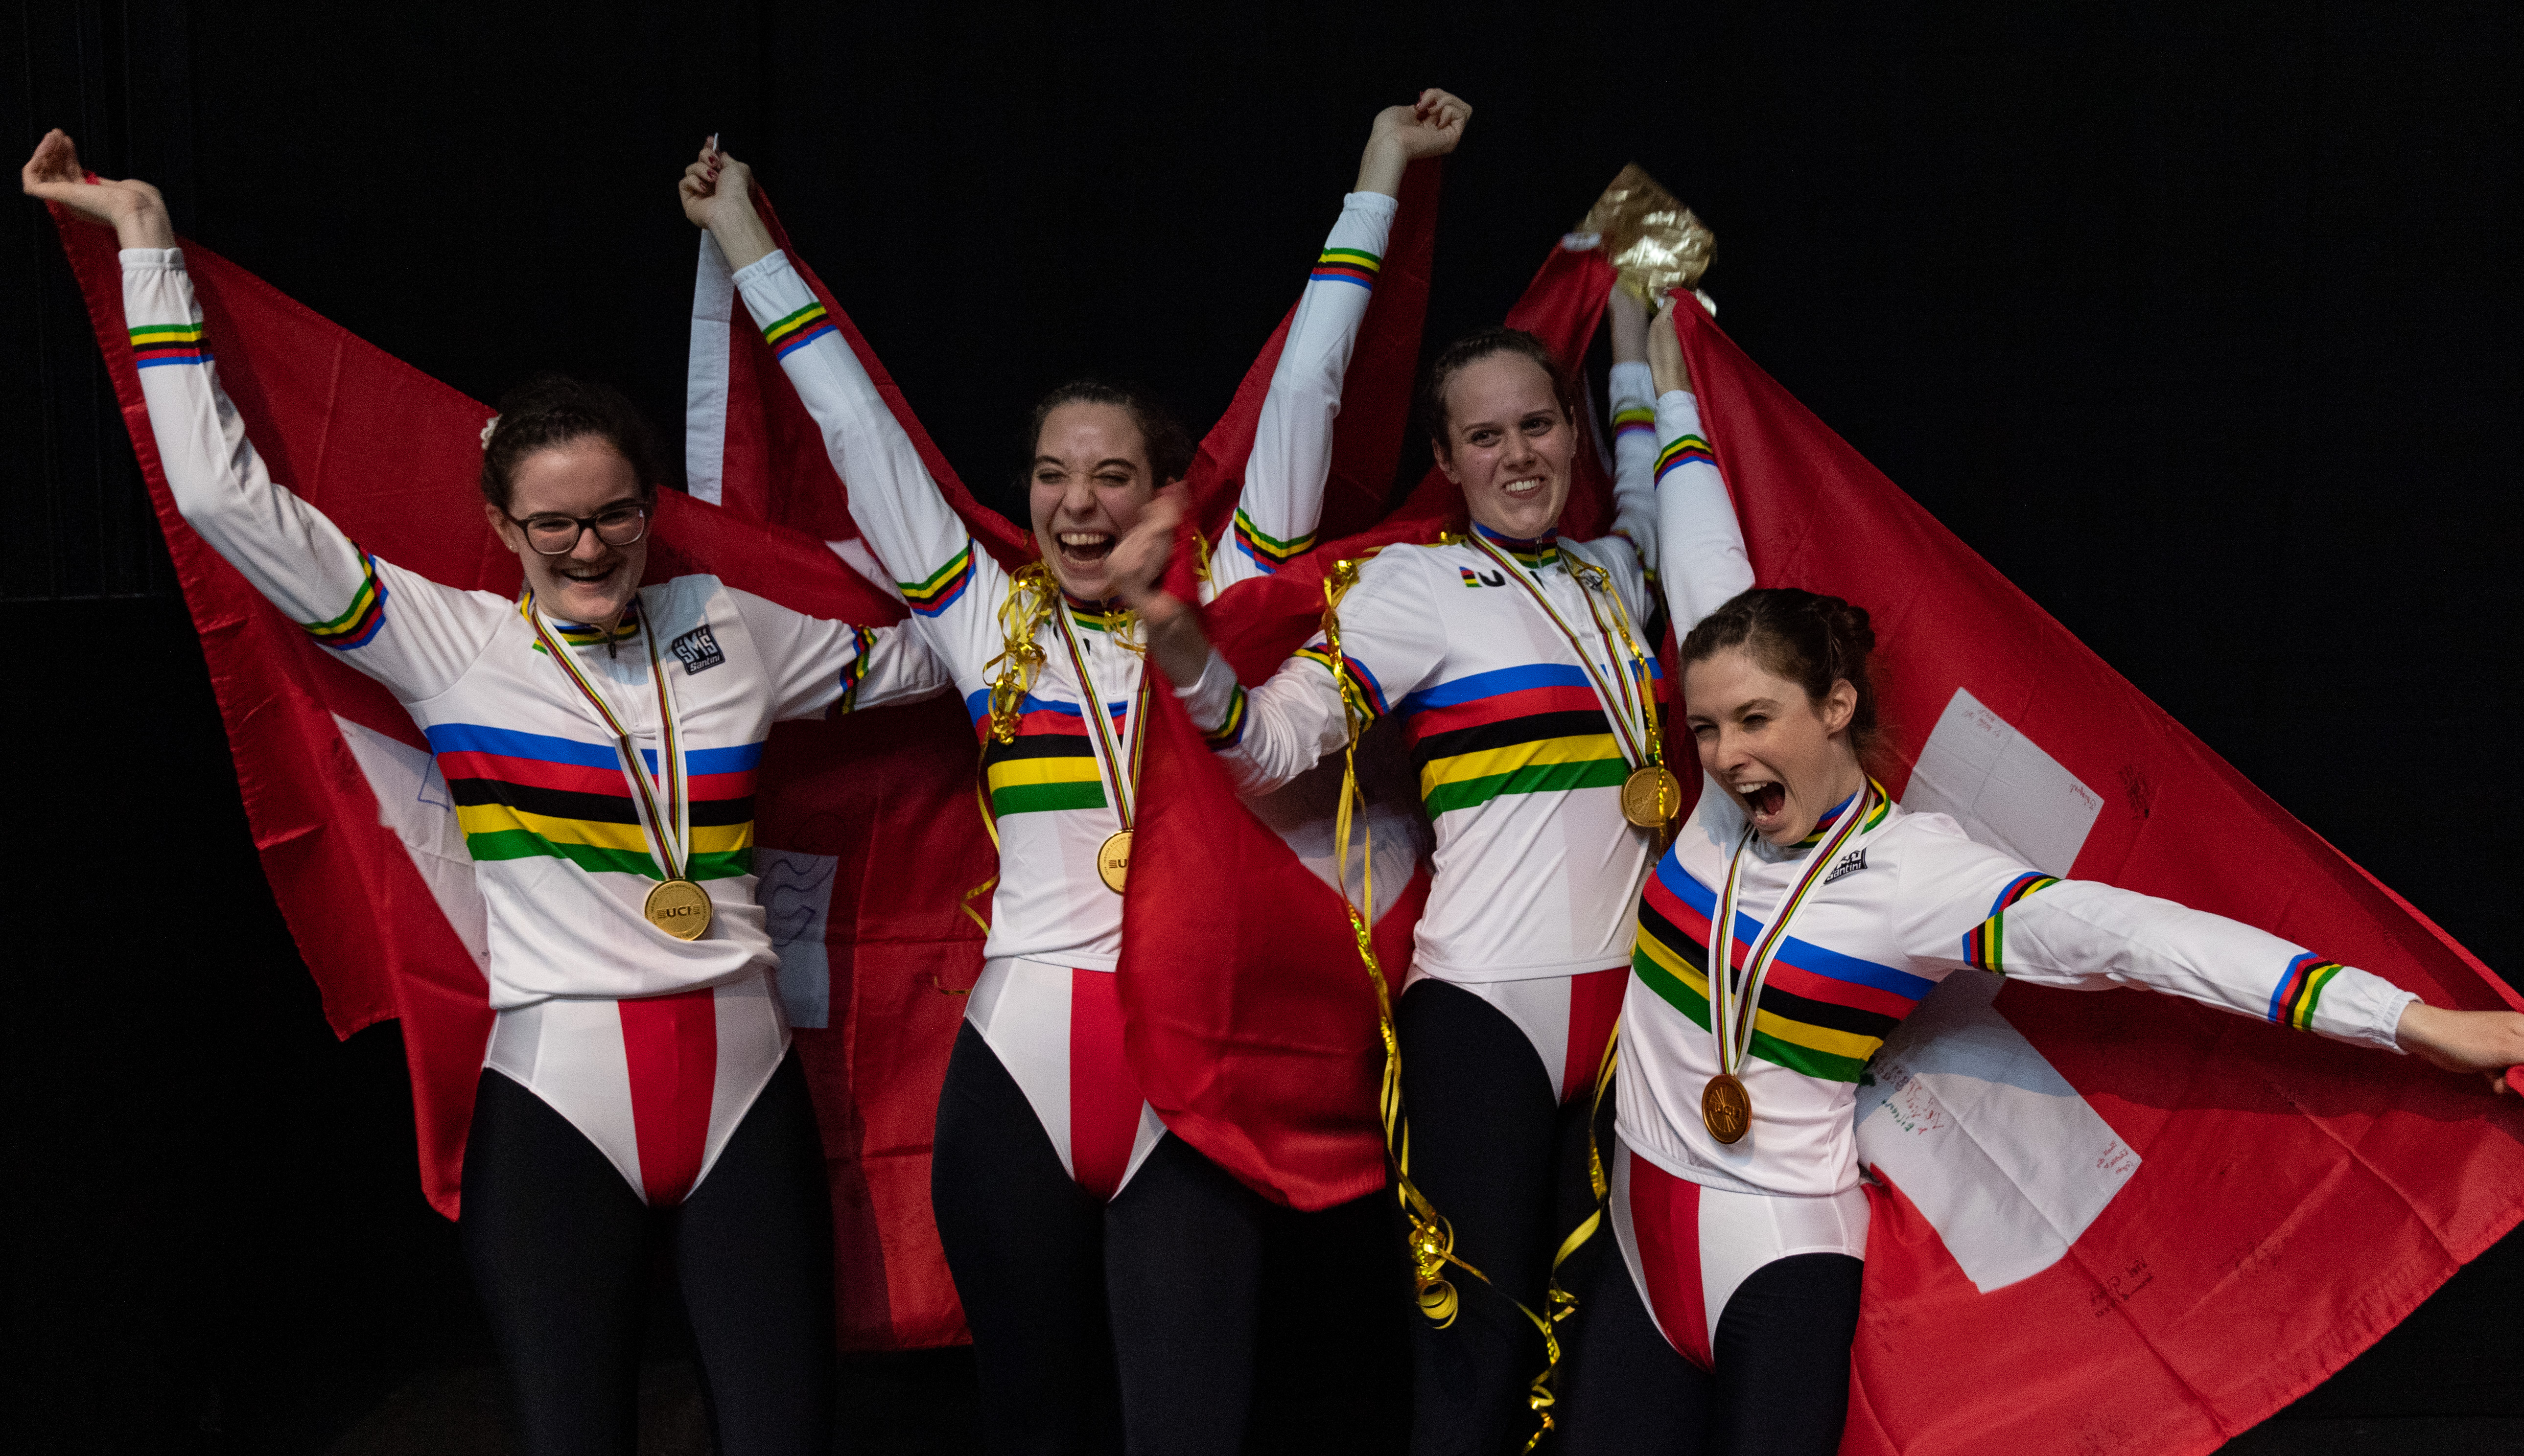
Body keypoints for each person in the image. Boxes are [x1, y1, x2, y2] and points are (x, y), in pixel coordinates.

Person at [24, 129, 963, 1456]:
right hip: (557, 1100)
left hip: (745, 1090)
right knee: (571, 1434)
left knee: (784, 1435)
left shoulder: (730, 623)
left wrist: (1098, 597)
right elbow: (226, 503)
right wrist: (147, 244)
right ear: (501, 522)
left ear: (650, 506)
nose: (591, 549)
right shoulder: (450, 642)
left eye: (617, 516)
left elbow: (949, 644)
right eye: (555, 525)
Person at [1547, 384, 2524, 1453]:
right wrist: (1658, 361)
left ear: (1835, 705)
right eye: (1704, 727)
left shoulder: (1918, 878)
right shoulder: (1719, 800)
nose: (1721, 754)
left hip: (1778, 1261)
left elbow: (2148, 941)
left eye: (1755, 720)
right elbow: (1702, 548)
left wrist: (2410, 1019)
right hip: (1634, 1236)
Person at [678, 92, 1472, 1455]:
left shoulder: (1231, 603)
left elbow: (1310, 394)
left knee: (1190, 1429)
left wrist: (1379, 175)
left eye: (1111, 477)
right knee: (1030, 1422)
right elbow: (862, 436)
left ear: (1170, 495)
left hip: (1194, 1078)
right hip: (1016, 1082)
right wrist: (744, 235)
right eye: (1052, 478)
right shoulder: (994, 629)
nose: (1076, 504)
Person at [1106, 293, 1748, 1451]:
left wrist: (1638, 340)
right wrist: (1171, 627)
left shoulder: (1619, 572)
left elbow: (1650, 481)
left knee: (1612, 1362)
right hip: (1484, 1020)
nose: (1519, 456)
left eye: (1539, 427)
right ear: (1446, 461)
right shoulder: (1409, 591)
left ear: (1570, 432)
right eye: (1486, 437)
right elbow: (1265, 748)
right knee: (1475, 1371)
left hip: (1637, 1024)